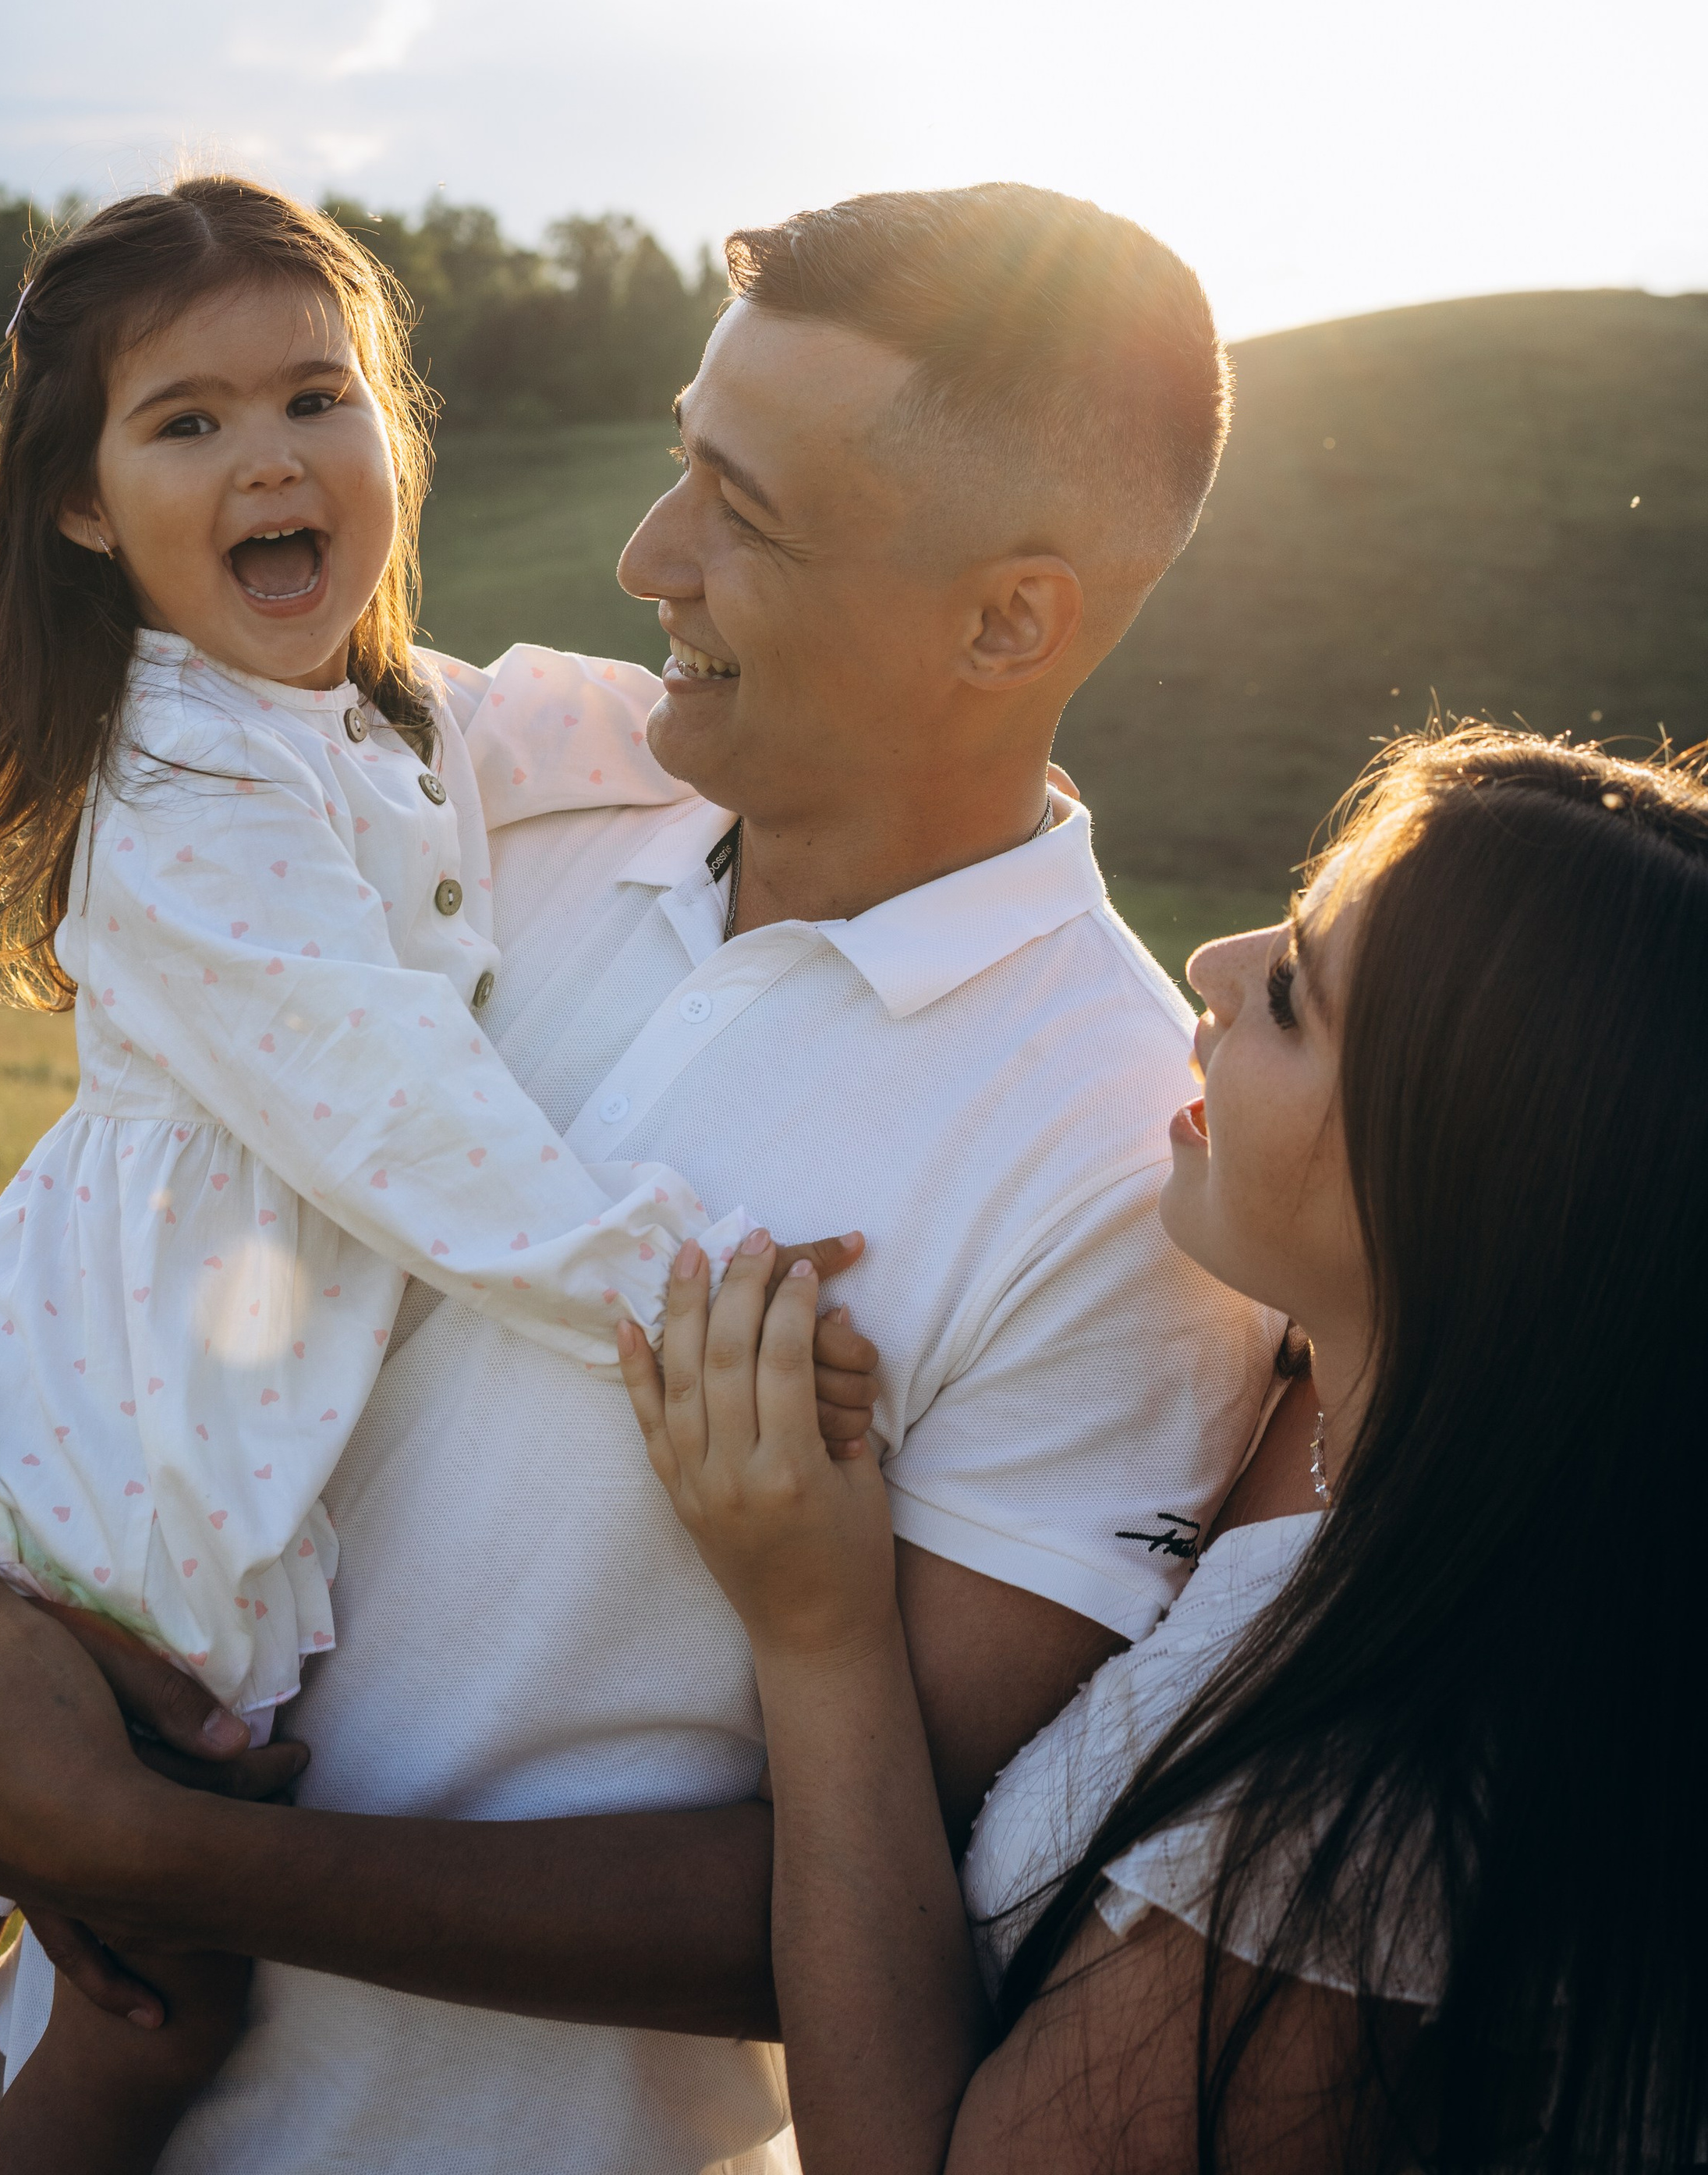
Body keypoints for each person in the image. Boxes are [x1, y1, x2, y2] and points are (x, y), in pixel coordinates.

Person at [0, 182, 1280, 2175]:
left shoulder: (1131, 1163)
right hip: (87, 2085)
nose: (643, 555)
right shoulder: (479, 805)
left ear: (1008, 616)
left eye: (738, 511)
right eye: (680, 462)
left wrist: (153, 1849)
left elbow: (870, 1894)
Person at [0, 176, 868, 2175]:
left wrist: (846, 726)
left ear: (389, 434)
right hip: (105, 1426)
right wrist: (674, 1291)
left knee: (100, 1926)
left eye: (314, 398)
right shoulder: (178, 790)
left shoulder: (385, 714)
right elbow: (398, 1118)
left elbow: (588, 719)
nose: (268, 456)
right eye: (183, 422)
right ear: (85, 506)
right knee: (69, 1932)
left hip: (200, 1417)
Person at [619, 726, 1708, 2172]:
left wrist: (820, 1632)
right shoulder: (1361, 1405)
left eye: (1290, 997)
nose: (1207, 964)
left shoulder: (1363, 1792)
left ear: (1453, 1184)